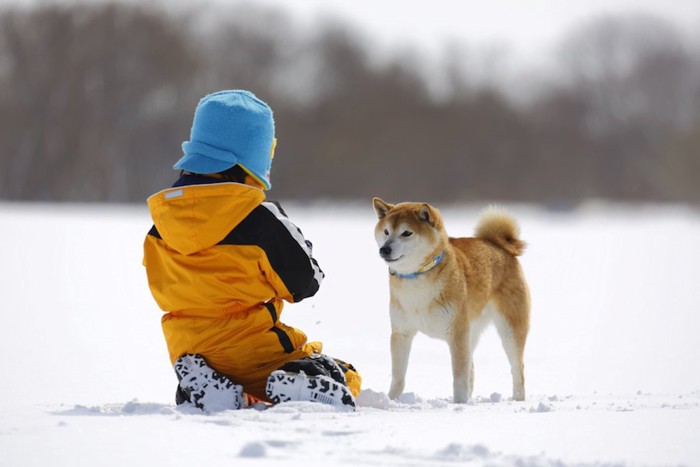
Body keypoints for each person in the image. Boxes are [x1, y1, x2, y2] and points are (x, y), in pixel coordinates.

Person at [143, 90, 361, 411]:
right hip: (254, 354)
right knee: (346, 376)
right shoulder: (258, 220)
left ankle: (209, 391)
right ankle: (294, 381)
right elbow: (305, 282)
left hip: (187, 350)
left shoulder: (160, 227)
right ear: (256, 157)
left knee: (233, 383)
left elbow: (164, 286)